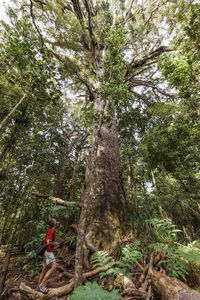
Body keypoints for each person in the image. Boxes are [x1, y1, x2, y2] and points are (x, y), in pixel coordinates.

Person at [37, 218, 58, 294]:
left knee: (44, 269)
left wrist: (53, 242)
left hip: (45, 251)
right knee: (54, 266)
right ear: (54, 223)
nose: (56, 220)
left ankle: (38, 286)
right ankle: (41, 285)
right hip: (48, 251)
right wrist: (55, 243)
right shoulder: (52, 230)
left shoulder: (50, 230)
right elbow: (49, 242)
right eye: (55, 220)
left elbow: (47, 241)